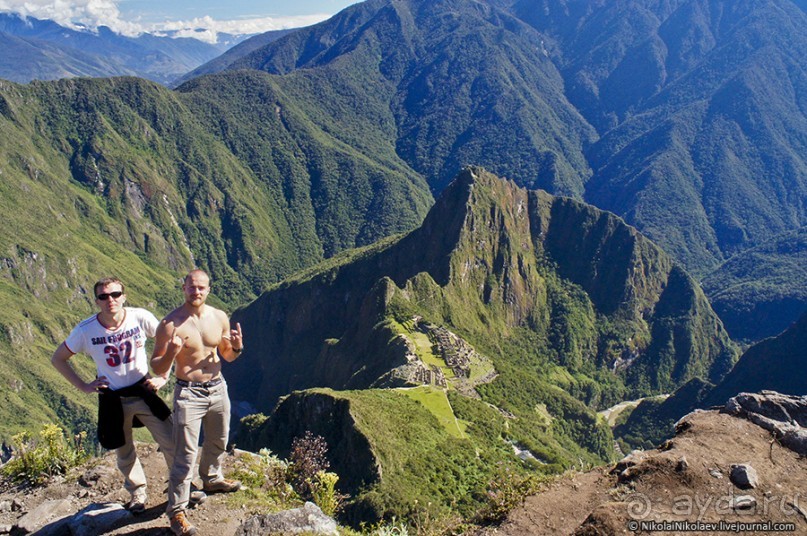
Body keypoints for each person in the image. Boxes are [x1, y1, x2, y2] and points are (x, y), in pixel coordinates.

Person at [51, 277, 177, 514]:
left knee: (171, 438)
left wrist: (163, 376)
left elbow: (169, 340)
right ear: (97, 301)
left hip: (143, 389)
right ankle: (137, 492)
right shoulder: (85, 330)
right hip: (112, 397)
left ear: (124, 296)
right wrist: (83, 386)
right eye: (104, 296)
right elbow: (58, 358)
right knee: (124, 449)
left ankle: (179, 486)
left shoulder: (139, 317)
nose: (111, 300)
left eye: (115, 294)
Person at [151, 269, 244, 536]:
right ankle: (177, 512)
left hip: (217, 387)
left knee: (218, 440)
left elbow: (227, 356)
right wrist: (171, 352)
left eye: (201, 287)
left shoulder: (220, 317)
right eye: (192, 287)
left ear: (209, 289)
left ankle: (212, 479)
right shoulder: (170, 324)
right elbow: (156, 364)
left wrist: (236, 347)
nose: (196, 292)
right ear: (184, 288)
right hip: (188, 392)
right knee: (185, 455)